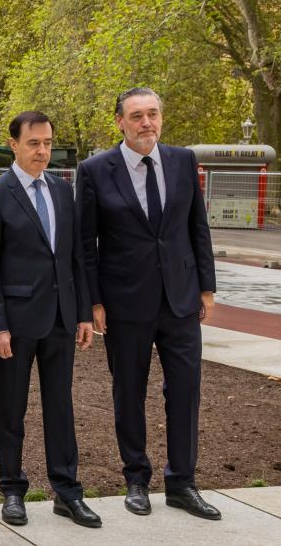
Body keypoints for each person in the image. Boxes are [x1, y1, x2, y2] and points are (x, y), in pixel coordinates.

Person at [76, 88, 220, 520]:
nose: (147, 123)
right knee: (128, 394)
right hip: (124, 303)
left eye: (153, 114)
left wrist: (206, 288)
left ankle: (182, 484)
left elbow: (199, 227)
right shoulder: (95, 170)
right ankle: (136, 480)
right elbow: (85, 244)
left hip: (180, 300)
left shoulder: (182, 161)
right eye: (137, 116)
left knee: (186, 391)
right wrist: (94, 301)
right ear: (119, 121)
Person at [0, 111, 101, 529]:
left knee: (60, 407)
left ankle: (67, 492)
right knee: (11, 409)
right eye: (33, 143)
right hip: (16, 322)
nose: (42, 151)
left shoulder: (63, 192)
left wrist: (83, 313)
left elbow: (74, 257)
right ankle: (12, 490)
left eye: (47, 143)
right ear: (14, 144)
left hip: (62, 319)